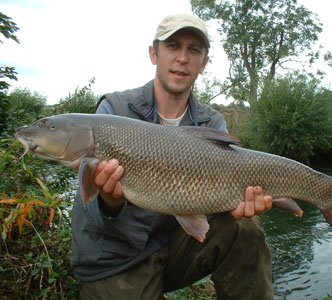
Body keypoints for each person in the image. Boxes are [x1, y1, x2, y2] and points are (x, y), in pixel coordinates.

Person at [71, 14, 274, 300]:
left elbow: (225, 196)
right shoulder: (112, 111)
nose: (182, 58)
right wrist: (109, 201)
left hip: (177, 246)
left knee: (245, 226)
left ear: (203, 63)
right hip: (115, 257)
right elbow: (88, 211)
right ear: (154, 54)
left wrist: (245, 200)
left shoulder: (211, 123)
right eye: (173, 46)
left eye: (193, 50)